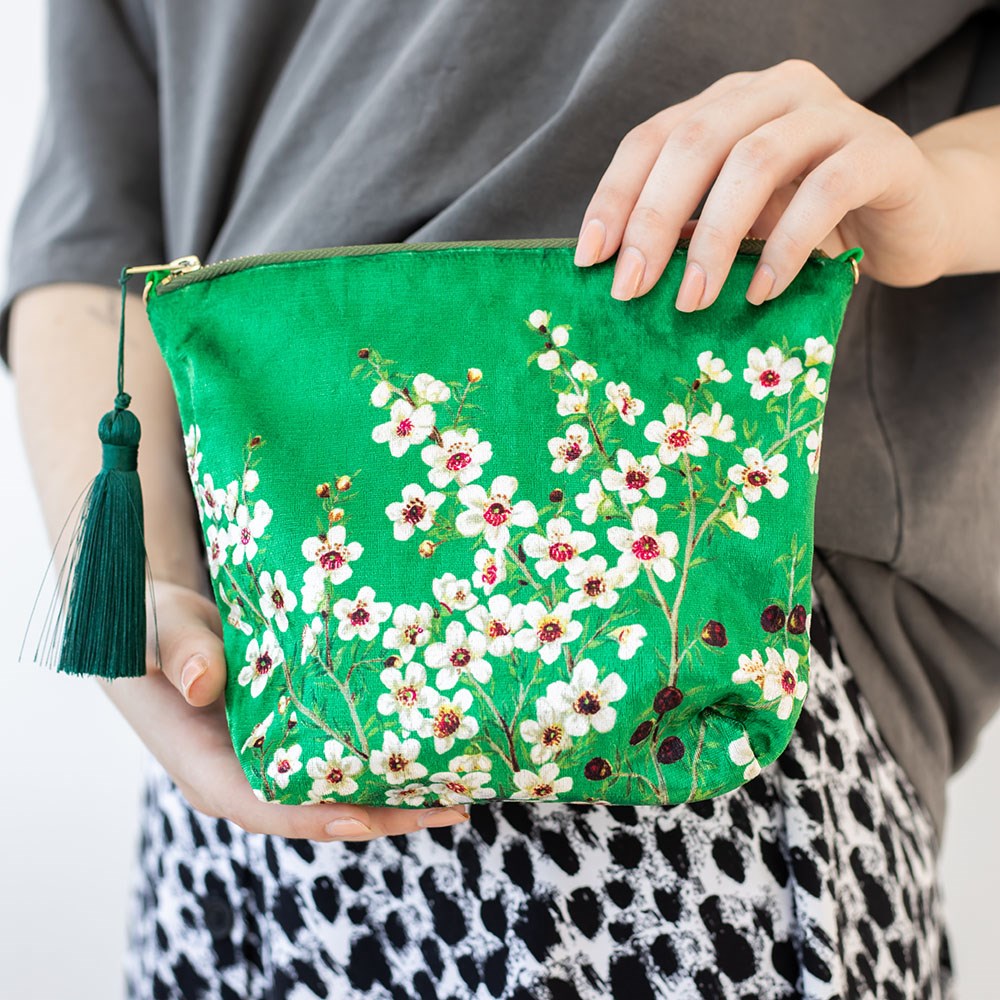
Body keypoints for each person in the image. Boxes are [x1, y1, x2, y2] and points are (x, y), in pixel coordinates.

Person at [4, 2, 1000, 997]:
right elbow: (91, 247)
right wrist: (148, 596)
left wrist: (940, 192)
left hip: (692, 692)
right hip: (252, 718)